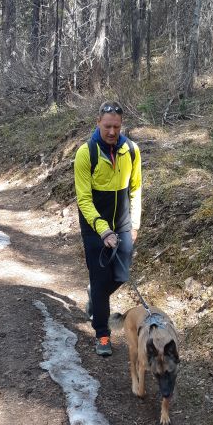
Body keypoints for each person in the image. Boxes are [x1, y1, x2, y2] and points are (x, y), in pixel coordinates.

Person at [74, 101, 142, 356]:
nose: (112, 132)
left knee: (122, 273)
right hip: (94, 226)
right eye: (107, 126)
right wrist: (102, 230)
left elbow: (135, 189)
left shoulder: (132, 151)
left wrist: (134, 224)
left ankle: (95, 290)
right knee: (102, 280)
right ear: (98, 123)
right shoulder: (86, 153)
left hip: (123, 223)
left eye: (116, 126)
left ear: (121, 125)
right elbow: (84, 199)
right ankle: (102, 334)